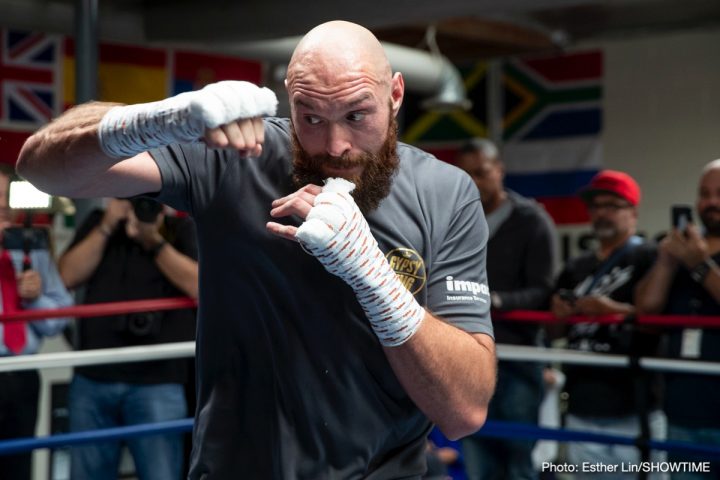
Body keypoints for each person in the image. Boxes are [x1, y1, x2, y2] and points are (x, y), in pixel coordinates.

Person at [17, 20, 496, 479]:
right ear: (289, 99)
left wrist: (375, 280)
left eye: (357, 114)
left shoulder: (445, 193)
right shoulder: (236, 153)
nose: (336, 144)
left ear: (395, 95)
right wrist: (160, 120)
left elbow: (465, 411)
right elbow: (42, 167)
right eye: (311, 117)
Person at [58, 197, 198, 480]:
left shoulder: (179, 227)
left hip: (159, 378)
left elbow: (199, 285)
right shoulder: (100, 223)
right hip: (94, 374)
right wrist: (107, 225)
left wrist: (153, 240)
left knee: (162, 473)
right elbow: (66, 276)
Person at [549, 170, 665, 478]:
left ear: (633, 212)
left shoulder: (650, 256)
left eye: (612, 205)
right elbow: (553, 330)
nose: (601, 213)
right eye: (596, 206)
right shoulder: (576, 266)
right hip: (583, 400)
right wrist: (560, 314)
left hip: (634, 401)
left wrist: (613, 310)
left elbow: (658, 317)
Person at [455, 138, 556, 480]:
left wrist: (496, 300)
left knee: (517, 458)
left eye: (481, 172)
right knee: (477, 455)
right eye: (466, 174)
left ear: (499, 171)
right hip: (465, 352)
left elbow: (543, 290)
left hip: (516, 354)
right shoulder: (455, 220)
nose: (474, 181)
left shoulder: (532, 220)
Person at [636, 159, 720, 477]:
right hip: (684, 409)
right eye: (704, 194)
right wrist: (668, 261)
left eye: (719, 193)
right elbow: (647, 308)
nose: (711, 202)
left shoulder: (696, 258)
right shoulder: (683, 252)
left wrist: (701, 265)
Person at [0, 164, 73, 480]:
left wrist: (36, 297)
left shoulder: (31, 245)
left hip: (21, 373)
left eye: (6, 197)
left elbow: (57, 319)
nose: (2, 205)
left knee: (18, 466)